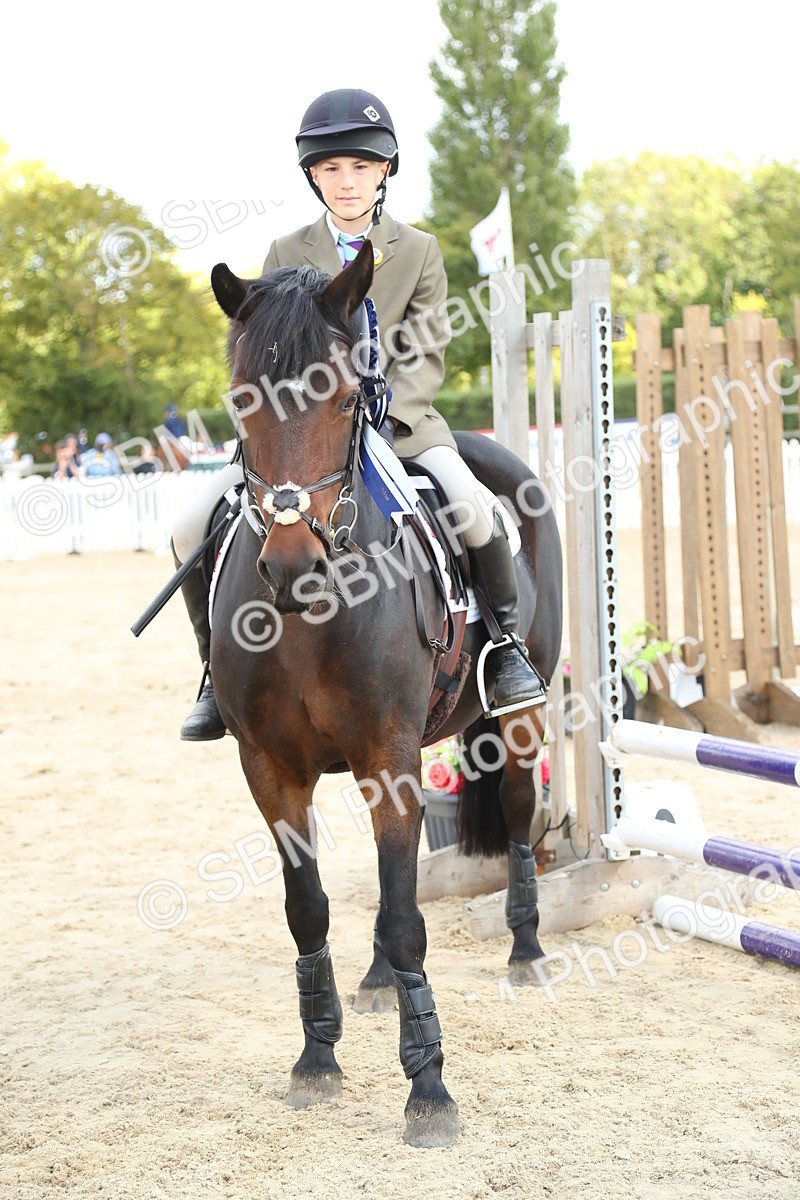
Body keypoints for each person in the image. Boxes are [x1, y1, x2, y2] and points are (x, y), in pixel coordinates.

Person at [172, 87, 546, 742]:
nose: (347, 183)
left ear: (385, 172)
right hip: (301, 440)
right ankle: (212, 669)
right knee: (185, 526)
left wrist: (376, 414)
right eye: (332, 170)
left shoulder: (421, 252)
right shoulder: (285, 251)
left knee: (473, 507)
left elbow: (427, 353)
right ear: (314, 176)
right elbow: (271, 357)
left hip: (400, 428)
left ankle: (507, 648)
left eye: (361, 168)